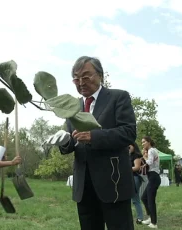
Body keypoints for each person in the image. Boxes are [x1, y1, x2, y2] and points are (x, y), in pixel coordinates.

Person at [44, 56, 137, 230]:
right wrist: (64, 141)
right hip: (84, 187)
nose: (81, 82)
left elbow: (129, 133)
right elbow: (72, 141)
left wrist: (94, 137)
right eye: (76, 79)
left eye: (86, 77)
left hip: (113, 182)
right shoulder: (73, 107)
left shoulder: (118, 97)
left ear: (100, 75)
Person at [140, 136, 161, 229]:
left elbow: (150, 162)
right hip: (153, 177)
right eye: (142, 142)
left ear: (148, 142)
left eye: (144, 142)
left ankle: (154, 223)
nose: (142, 144)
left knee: (150, 200)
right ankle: (150, 217)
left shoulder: (151, 150)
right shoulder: (152, 150)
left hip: (154, 177)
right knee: (144, 197)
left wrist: (144, 158)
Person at [129, 142, 144, 224]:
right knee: (134, 199)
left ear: (133, 146)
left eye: (129, 145)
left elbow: (136, 167)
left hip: (135, 178)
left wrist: (125, 168)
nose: (127, 147)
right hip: (131, 178)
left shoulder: (136, 155)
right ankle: (139, 217)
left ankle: (140, 218)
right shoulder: (129, 155)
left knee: (135, 199)